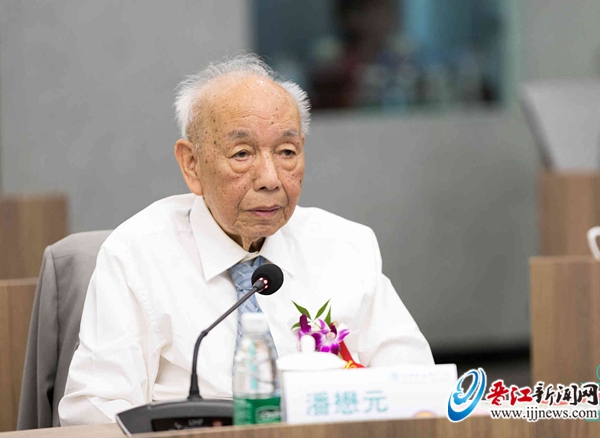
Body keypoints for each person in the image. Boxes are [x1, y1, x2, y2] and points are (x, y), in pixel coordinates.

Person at [58, 53, 433, 425]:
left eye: (287, 152)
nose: (270, 178)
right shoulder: (136, 255)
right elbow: (94, 414)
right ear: (192, 164)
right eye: (242, 153)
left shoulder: (346, 246)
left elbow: (417, 383)